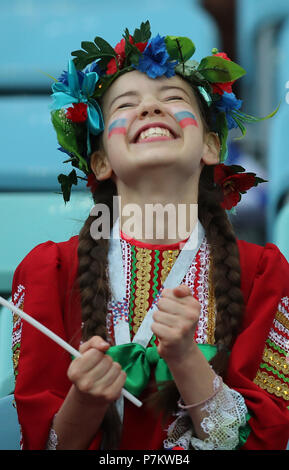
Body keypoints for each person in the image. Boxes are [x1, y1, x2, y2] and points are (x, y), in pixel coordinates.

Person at [11, 22, 289, 450]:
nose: (150, 109)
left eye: (174, 99)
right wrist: (84, 399)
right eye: (126, 104)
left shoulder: (264, 274)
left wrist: (185, 358)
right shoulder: (50, 272)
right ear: (100, 160)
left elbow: (265, 441)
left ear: (212, 146)